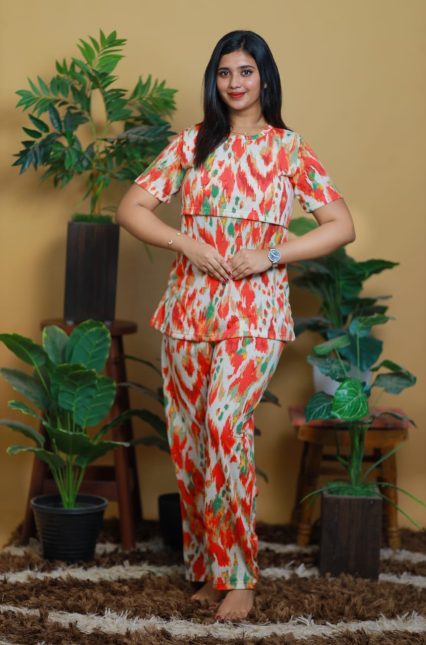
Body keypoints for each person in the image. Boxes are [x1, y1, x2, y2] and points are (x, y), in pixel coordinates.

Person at [116, 29, 355, 622]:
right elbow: (131, 208)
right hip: (188, 309)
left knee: (225, 423)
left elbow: (340, 226)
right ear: (214, 80)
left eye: (246, 71)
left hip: (255, 312)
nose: (235, 82)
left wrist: (271, 254)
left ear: (265, 78)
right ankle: (209, 570)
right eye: (225, 72)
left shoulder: (289, 149)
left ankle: (240, 577)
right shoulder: (192, 142)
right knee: (191, 439)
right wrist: (187, 244)